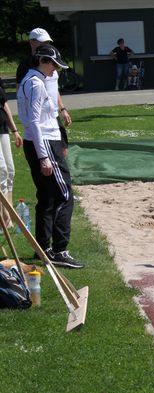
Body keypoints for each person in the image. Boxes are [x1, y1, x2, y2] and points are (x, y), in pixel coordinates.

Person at [16, 45, 84, 269]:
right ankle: (60, 250)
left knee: (46, 197)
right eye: (53, 64)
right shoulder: (35, 83)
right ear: (42, 61)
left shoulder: (30, 79)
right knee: (64, 196)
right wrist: (44, 156)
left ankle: (42, 248)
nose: (56, 69)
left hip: (37, 141)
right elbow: (35, 121)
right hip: (44, 141)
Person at [16, 28, 71, 158]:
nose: (46, 45)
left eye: (48, 42)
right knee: (46, 156)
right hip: (41, 119)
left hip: (54, 115)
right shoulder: (26, 65)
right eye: (43, 42)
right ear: (32, 42)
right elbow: (20, 92)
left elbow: (53, 87)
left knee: (63, 151)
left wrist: (62, 109)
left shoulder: (52, 60)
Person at [0, 78, 23, 227]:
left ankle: (9, 213)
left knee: (10, 171)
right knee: (1, 171)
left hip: (3, 130)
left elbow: (4, 105)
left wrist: (15, 130)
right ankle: (4, 218)